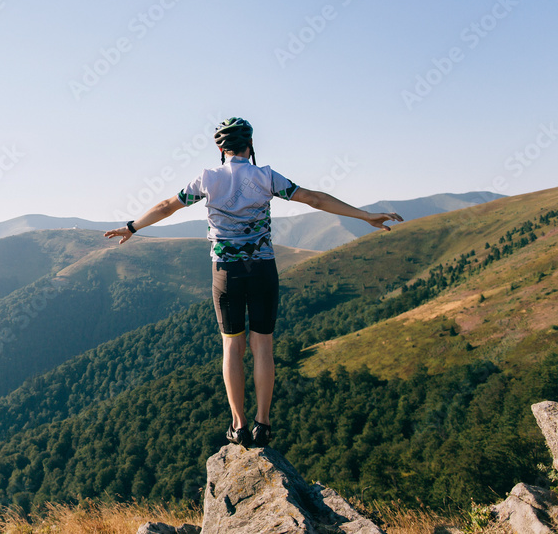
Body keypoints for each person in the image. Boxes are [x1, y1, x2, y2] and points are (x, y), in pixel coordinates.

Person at [103, 117, 403, 447]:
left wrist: (131, 227)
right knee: (263, 345)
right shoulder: (266, 176)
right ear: (250, 146)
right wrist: (365, 215)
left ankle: (239, 425)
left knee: (232, 346)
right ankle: (263, 423)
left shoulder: (207, 179)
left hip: (226, 272)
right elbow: (314, 199)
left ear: (221, 149)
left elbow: (166, 207)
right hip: (262, 269)